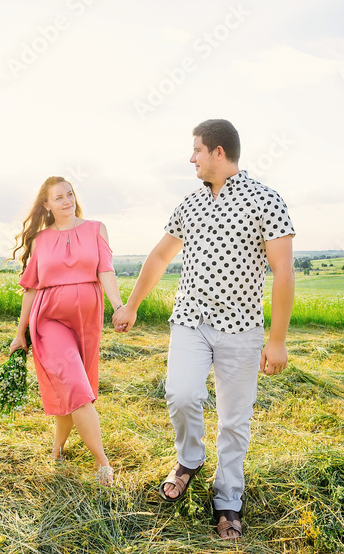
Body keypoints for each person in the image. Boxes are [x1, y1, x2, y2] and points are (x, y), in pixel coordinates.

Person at [112, 119, 295, 540]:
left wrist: (278, 340)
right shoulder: (190, 203)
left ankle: (228, 497)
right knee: (181, 393)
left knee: (234, 420)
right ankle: (189, 458)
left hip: (241, 330)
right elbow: (159, 257)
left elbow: (282, 270)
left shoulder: (266, 200)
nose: (190, 157)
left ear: (218, 152)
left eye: (196, 149)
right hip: (190, 322)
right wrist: (132, 305)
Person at [8, 176, 124, 486]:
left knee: (73, 391)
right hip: (49, 320)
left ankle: (57, 450)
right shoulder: (40, 240)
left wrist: (118, 306)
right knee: (75, 386)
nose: (66, 200)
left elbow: (105, 271)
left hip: (87, 321)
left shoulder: (96, 229)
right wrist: (21, 332)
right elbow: (31, 289)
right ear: (46, 205)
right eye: (58, 197)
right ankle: (103, 465)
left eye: (69, 194)